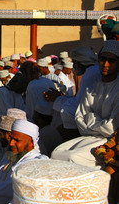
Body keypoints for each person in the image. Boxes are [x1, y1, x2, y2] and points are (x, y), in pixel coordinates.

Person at [51, 40, 119, 168]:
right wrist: (97, 123)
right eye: (103, 59)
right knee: (56, 153)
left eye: (112, 61)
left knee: (73, 158)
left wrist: (91, 118)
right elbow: (79, 119)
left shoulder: (117, 90)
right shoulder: (92, 87)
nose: (105, 64)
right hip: (89, 137)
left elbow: (111, 128)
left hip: (108, 141)